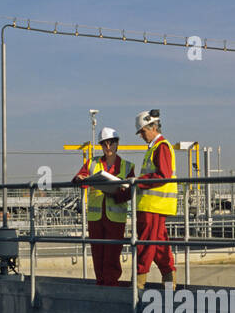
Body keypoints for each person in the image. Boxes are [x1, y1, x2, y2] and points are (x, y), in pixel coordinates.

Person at [72, 127, 135, 285]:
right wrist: (79, 178)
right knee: (98, 253)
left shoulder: (127, 166)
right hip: (96, 217)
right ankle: (100, 283)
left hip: (115, 217)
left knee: (112, 254)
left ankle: (111, 284)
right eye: (104, 144)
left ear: (117, 143)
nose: (108, 147)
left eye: (111, 143)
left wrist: (116, 192)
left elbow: (131, 193)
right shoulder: (92, 163)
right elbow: (79, 179)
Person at [133, 108, 177, 289]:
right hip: (154, 206)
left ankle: (139, 285)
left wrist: (137, 181)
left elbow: (163, 175)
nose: (142, 136)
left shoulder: (161, 147)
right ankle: (169, 282)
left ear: (153, 127)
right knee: (159, 246)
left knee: (145, 245)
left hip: (154, 206)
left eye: (143, 132)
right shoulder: (156, 148)